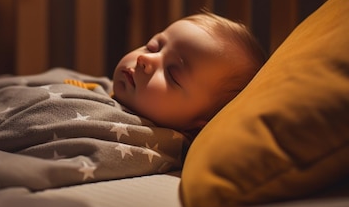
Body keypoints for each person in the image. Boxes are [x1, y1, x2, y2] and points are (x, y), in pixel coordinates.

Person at [110, 12, 266, 136]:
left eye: (172, 74)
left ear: (196, 127)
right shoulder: (101, 86)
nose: (144, 58)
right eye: (152, 47)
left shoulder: (145, 144)